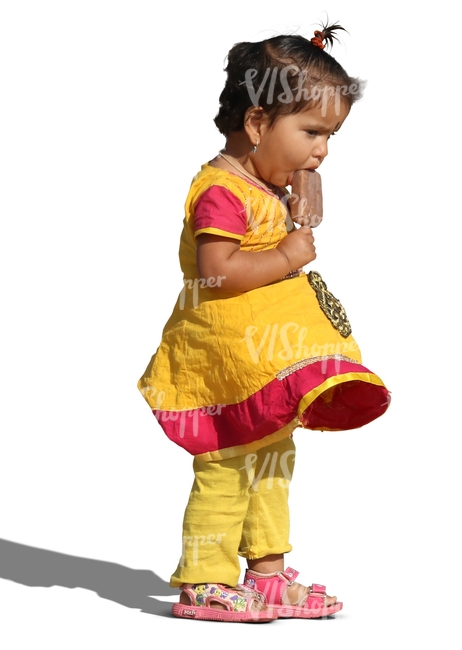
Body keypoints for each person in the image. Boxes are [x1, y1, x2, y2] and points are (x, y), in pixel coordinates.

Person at [137, 23, 390, 623]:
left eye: (330, 136)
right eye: (311, 132)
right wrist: (285, 256)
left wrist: (296, 209)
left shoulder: (267, 185)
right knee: (225, 465)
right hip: (223, 361)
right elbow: (216, 269)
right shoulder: (220, 191)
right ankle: (204, 580)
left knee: (274, 462)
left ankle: (267, 574)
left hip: (264, 359)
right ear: (256, 125)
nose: (322, 151)